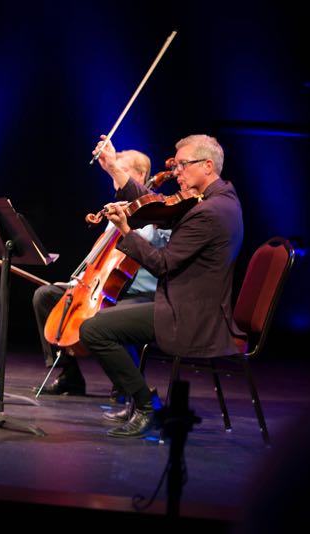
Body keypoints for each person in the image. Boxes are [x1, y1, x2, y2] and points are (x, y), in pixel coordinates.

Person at [79, 134, 245, 437]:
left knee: (94, 329)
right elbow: (156, 207)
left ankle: (146, 405)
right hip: (187, 304)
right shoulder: (215, 200)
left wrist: (126, 231)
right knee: (102, 319)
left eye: (183, 165)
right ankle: (143, 401)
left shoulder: (208, 213)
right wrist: (115, 168)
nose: (176, 172)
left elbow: (162, 264)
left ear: (208, 166)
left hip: (191, 316)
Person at [33, 150, 170, 396]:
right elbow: (101, 259)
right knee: (45, 295)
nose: (116, 177)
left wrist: (130, 223)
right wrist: (77, 281)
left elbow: (156, 247)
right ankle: (69, 376)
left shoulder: (160, 210)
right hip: (101, 287)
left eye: (122, 170)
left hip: (140, 293)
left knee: (107, 316)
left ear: (139, 175)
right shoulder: (115, 209)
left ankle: (127, 384)